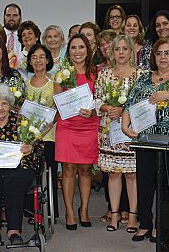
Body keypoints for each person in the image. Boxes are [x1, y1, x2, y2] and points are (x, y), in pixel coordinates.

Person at [121, 38, 169, 245]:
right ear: (153, 57)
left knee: (166, 186)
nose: (163, 57)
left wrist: (167, 94)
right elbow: (130, 103)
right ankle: (145, 223)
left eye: (168, 53)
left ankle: (161, 226)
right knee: (144, 184)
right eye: (159, 53)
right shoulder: (145, 78)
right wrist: (125, 126)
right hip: (145, 139)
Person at [0, 83, 43, 244]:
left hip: (19, 166)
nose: (0, 107)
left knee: (15, 178)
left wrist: (30, 147)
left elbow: (39, 145)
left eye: (4, 103)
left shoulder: (22, 122)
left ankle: (14, 230)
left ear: (10, 105)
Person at [94, 34, 143, 233]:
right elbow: (96, 100)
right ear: (112, 52)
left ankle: (132, 216)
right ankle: (114, 215)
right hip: (109, 131)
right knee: (113, 174)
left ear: (131, 51)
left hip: (131, 131)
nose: (121, 53)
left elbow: (143, 103)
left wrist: (123, 110)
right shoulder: (104, 74)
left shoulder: (141, 74)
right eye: (117, 49)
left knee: (132, 174)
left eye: (125, 49)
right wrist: (107, 108)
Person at [54, 33, 100, 230]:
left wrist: (94, 111)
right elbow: (56, 102)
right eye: (73, 48)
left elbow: (102, 101)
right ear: (68, 51)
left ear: (87, 50)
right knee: (68, 170)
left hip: (90, 126)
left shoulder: (96, 72)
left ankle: (84, 210)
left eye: (81, 47)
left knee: (85, 170)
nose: (77, 51)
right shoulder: (61, 74)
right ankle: (70, 211)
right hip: (67, 126)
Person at [25, 44, 59, 220]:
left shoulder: (54, 84)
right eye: (34, 57)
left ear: (47, 60)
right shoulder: (25, 85)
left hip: (48, 135)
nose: (38, 60)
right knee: (30, 174)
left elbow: (58, 111)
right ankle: (32, 210)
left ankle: (50, 212)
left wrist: (45, 129)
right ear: (30, 61)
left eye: (41, 57)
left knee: (49, 173)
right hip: (29, 137)